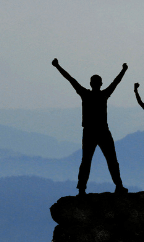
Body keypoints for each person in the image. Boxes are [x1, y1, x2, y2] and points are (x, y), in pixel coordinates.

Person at [52, 58, 129, 195]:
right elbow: (116, 82)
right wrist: (123, 70)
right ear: (100, 84)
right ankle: (118, 186)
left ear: (91, 83)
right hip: (102, 131)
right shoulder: (104, 94)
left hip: (90, 132)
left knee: (87, 161)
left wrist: (58, 66)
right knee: (111, 160)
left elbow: (70, 79)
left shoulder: (85, 94)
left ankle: (82, 189)